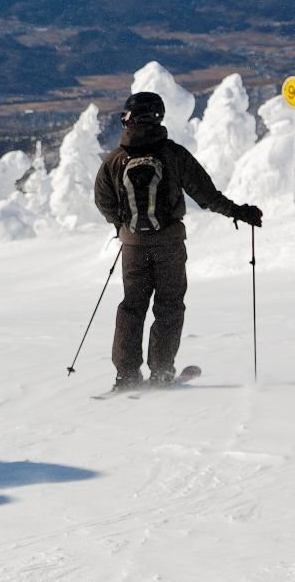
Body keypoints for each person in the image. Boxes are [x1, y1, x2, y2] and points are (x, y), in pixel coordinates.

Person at [93, 91, 263, 393]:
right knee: (169, 305)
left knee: (132, 307)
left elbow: (103, 200)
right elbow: (207, 195)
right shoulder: (173, 155)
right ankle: (161, 372)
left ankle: (126, 375)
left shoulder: (114, 161)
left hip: (133, 247)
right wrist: (239, 212)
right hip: (169, 244)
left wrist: (123, 226)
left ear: (130, 119)